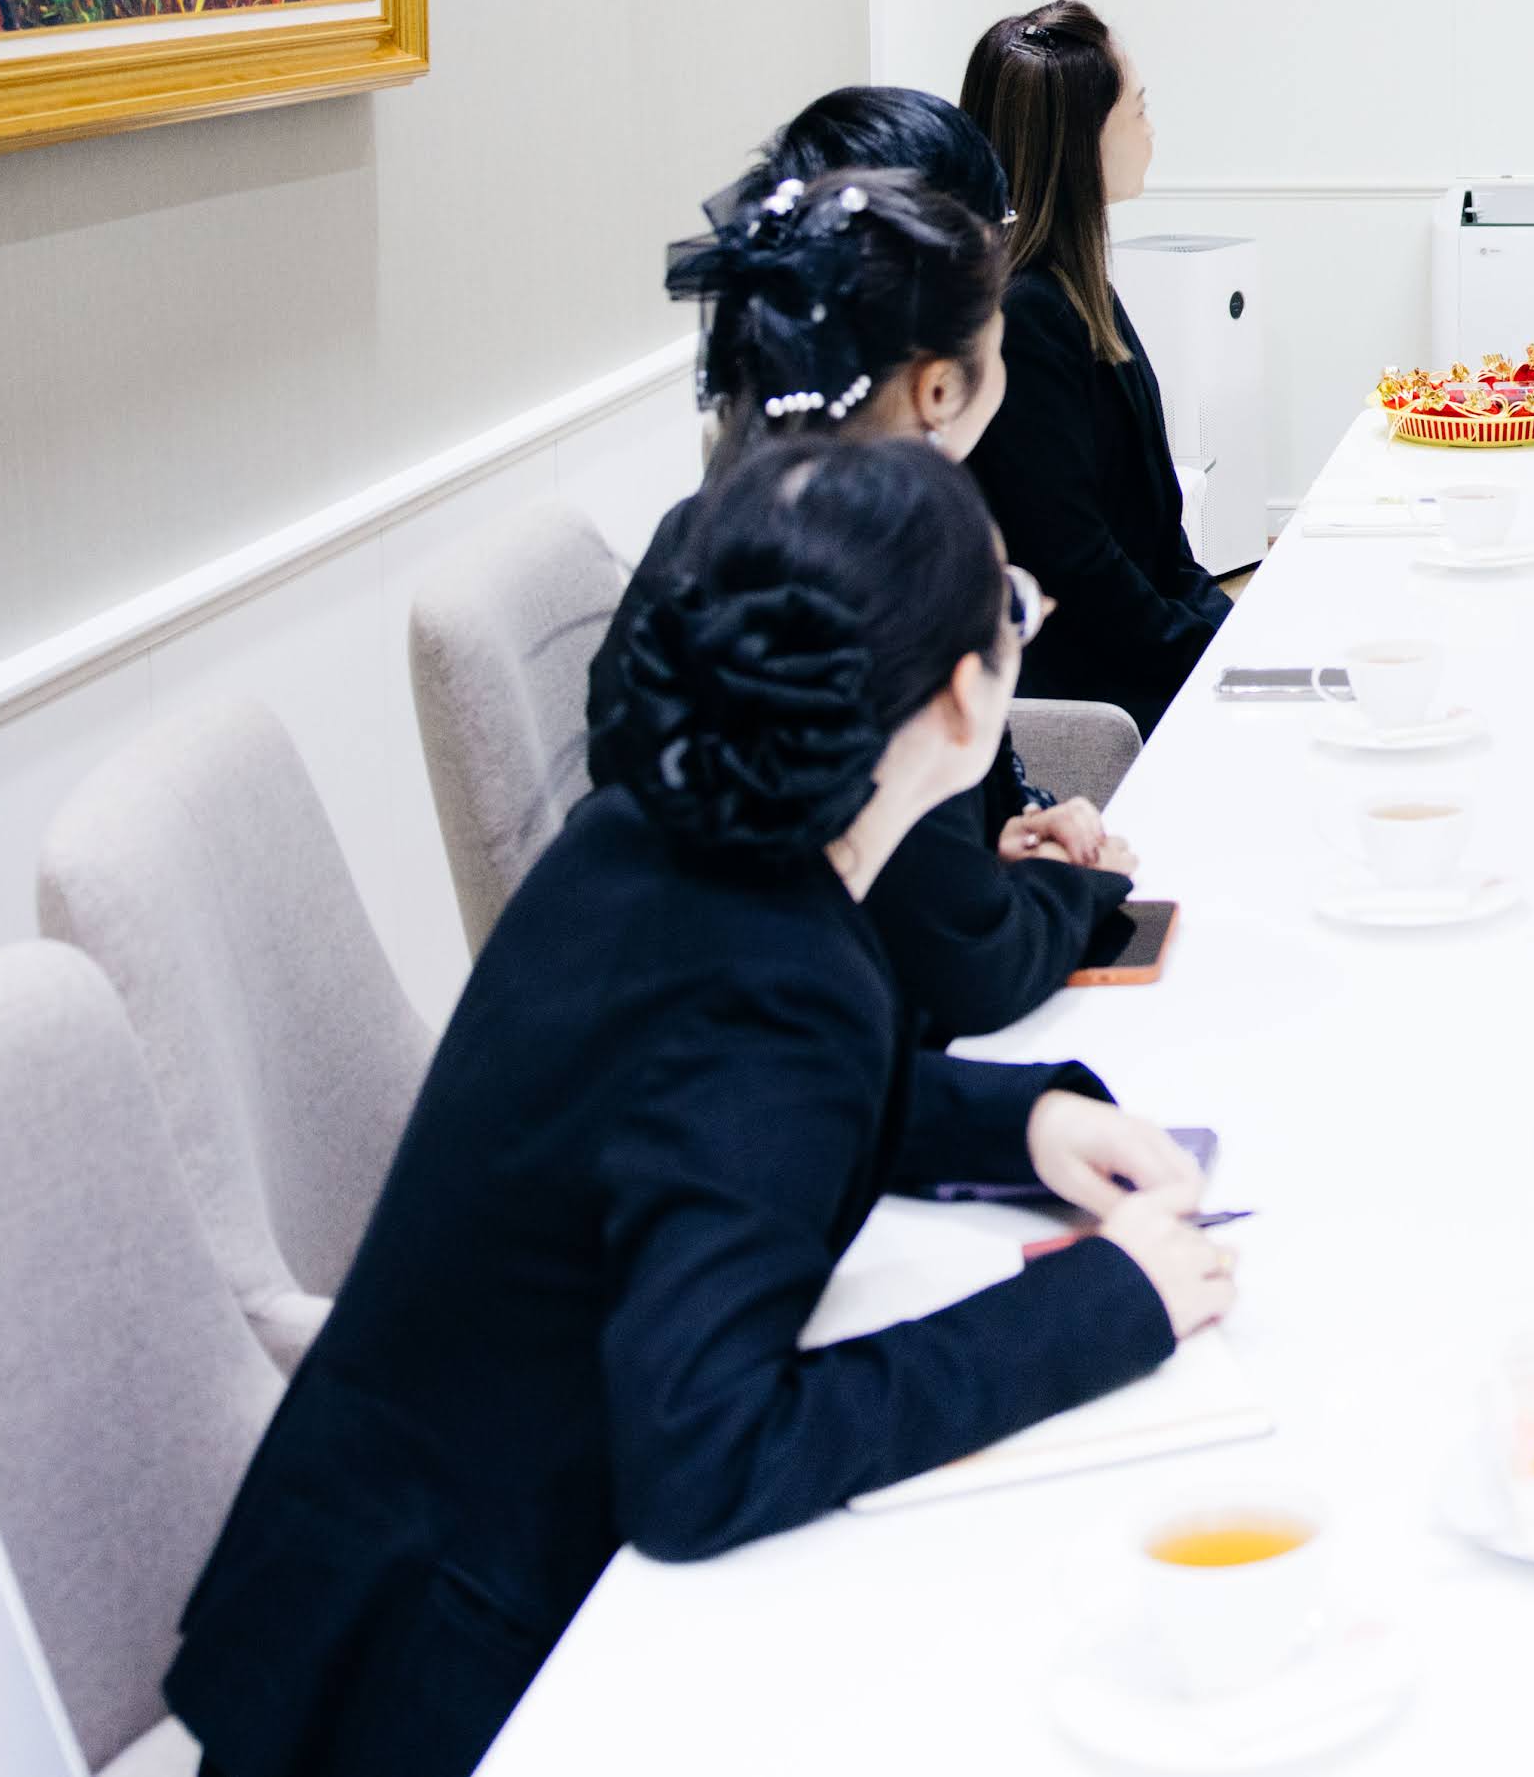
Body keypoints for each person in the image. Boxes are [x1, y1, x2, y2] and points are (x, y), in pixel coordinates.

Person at [171, 438, 1236, 1777]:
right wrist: (1095, 1308)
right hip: (475, 1684)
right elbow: (705, 1452)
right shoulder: (785, 976)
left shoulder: (649, 836)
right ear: (964, 702)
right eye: (1011, 610)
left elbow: (698, 1099)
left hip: (352, 1590)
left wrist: (1013, 1125)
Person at [626, 159, 1141, 1043]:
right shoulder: (870, 578)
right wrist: (1074, 887)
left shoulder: (738, 524)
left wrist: (996, 840)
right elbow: (960, 964)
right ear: (938, 388)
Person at [958, 3, 1229, 730]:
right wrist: (1208, 653)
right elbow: (1076, 567)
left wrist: (1223, 626)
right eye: (1137, 110)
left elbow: (1155, 535)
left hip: (1139, 645)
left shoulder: (1075, 287)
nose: (1149, 130)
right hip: (1093, 690)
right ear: (1081, 141)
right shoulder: (1024, 316)